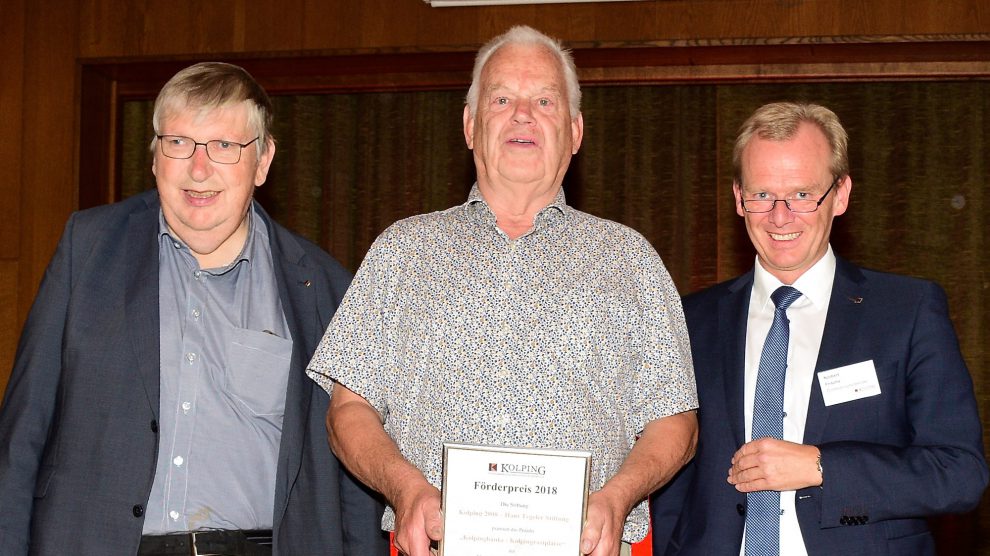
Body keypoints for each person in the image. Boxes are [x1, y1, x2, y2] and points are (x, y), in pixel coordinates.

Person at [306, 25, 698, 556]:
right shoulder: (402, 252)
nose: (522, 114)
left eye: (544, 100)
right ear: (470, 125)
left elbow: (675, 420)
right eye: (501, 98)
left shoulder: (631, 261)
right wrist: (406, 490)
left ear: (575, 131)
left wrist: (617, 498)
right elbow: (347, 409)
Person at [0, 62, 388, 555]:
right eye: (179, 142)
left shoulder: (322, 286)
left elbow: (351, 479)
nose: (198, 169)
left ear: (263, 161)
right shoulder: (89, 248)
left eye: (225, 146)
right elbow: (20, 438)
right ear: (156, 156)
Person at [650, 101, 988, 556]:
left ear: (841, 194)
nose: (780, 216)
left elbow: (959, 474)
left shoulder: (906, 312)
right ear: (738, 198)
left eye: (803, 194)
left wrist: (822, 466)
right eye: (762, 195)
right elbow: (671, 478)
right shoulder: (689, 321)